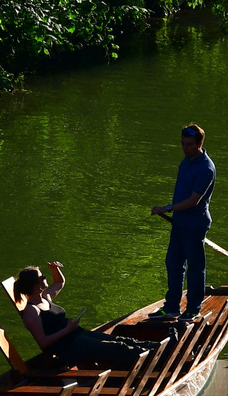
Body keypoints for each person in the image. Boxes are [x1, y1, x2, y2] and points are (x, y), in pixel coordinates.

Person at [13, 263, 154, 369]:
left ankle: (159, 348)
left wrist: (55, 270)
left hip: (77, 336)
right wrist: (67, 330)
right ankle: (155, 360)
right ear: (35, 285)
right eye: (42, 276)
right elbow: (43, 342)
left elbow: (59, 282)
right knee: (118, 348)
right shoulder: (32, 311)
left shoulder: (46, 297)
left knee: (122, 341)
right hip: (68, 348)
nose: (45, 277)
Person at [148, 123, 216, 320]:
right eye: (183, 144)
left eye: (189, 144)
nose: (185, 148)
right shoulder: (185, 162)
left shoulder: (206, 168)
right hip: (180, 223)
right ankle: (171, 307)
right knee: (173, 264)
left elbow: (194, 200)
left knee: (195, 268)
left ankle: (193, 308)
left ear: (200, 143)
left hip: (195, 225)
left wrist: (166, 208)